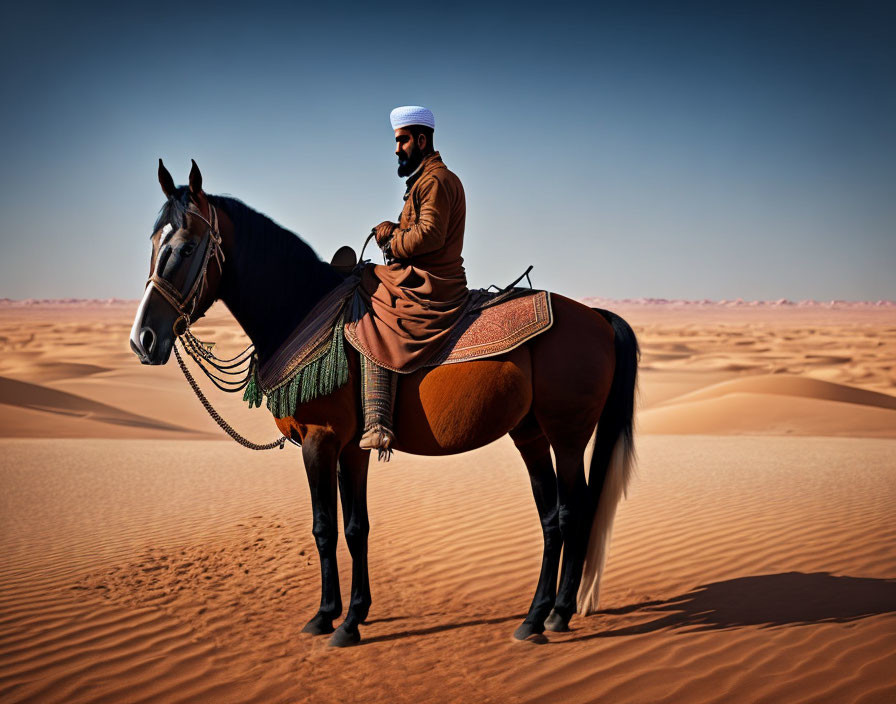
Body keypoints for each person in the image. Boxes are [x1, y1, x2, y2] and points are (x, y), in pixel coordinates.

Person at [353, 106, 469, 456]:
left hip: (429, 286)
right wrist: (397, 229)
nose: (397, 149)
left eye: (402, 141)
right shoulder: (425, 181)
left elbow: (431, 235)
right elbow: (421, 230)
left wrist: (391, 241)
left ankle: (377, 421)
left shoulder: (433, 181)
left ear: (421, 140)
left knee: (372, 310)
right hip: (422, 278)